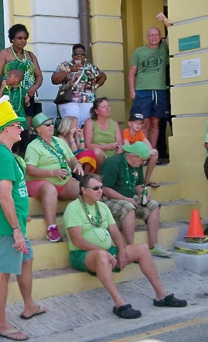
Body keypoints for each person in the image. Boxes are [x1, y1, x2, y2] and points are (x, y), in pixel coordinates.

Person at [64, 173, 186, 319]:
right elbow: (77, 240)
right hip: (82, 254)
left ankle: (161, 295)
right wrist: (104, 251)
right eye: (95, 188)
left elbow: (115, 231)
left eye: (101, 187)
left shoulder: (101, 206)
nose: (100, 191)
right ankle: (119, 304)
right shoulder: (73, 208)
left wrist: (121, 251)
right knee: (102, 255)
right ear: (83, 190)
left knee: (142, 248)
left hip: (108, 251)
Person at [0, 96, 45, 342]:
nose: (21, 128)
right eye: (17, 125)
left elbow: (13, 193)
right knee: (3, 271)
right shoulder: (3, 156)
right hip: (8, 226)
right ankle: (0, 323)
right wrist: (16, 228)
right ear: (6, 129)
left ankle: (29, 306)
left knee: (26, 259)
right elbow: (4, 196)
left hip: (14, 222)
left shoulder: (0, 153)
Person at [100, 142, 169, 258]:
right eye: (143, 160)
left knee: (154, 205)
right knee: (129, 207)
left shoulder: (137, 164)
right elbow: (105, 189)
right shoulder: (113, 163)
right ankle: (131, 249)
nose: (144, 163)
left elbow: (138, 185)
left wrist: (143, 194)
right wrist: (125, 198)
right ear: (133, 156)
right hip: (108, 199)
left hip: (129, 197)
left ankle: (153, 246)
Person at [25, 113, 84, 243]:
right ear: (39, 129)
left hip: (64, 181)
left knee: (84, 188)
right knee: (49, 189)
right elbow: (30, 170)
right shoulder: (33, 146)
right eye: (47, 124)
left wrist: (77, 164)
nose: (51, 126)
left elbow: (72, 159)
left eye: (52, 123)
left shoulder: (60, 141)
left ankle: (86, 223)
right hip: (39, 182)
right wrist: (52, 172)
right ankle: (51, 228)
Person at [0, 24, 43, 152]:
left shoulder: (30, 56)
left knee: (25, 129)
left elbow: (39, 76)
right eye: (19, 38)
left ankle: (23, 159)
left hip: (27, 97)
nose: (23, 41)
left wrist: (33, 90)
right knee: (10, 127)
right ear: (12, 39)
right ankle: (11, 155)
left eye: (25, 38)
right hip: (9, 97)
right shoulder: (5, 53)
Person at [129, 13, 172, 148]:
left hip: (159, 90)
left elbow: (172, 32)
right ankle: (144, 152)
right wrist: (132, 90)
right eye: (151, 35)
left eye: (156, 35)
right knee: (143, 123)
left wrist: (164, 20)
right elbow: (132, 72)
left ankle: (152, 152)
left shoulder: (164, 48)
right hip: (142, 90)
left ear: (160, 37)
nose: (154, 37)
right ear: (147, 37)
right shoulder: (139, 52)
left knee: (155, 123)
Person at [51, 44, 106, 128]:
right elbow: (54, 80)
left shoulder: (90, 67)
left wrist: (95, 86)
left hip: (87, 101)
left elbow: (103, 76)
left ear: (85, 56)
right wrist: (70, 70)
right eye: (76, 54)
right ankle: (71, 141)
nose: (79, 56)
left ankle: (82, 141)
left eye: (82, 54)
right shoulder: (65, 65)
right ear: (72, 55)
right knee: (71, 127)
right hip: (69, 100)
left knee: (85, 126)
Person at [83, 97, 122, 171]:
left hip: (113, 157)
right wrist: (107, 147)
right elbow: (88, 145)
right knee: (97, 152)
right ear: (96, 111)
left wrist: (116, 160)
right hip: (98, 156)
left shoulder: (114, 123)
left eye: (108, 106)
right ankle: (100, 174)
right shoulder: (90, 122)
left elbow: (120, 145)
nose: (107, 108)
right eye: (104, 107)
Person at [122, 113, 159, 187]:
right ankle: (135, 181)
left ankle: (147, 179)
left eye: (140, 123)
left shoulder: (140, 133)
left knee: (155, 154)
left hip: (137, 156)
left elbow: (148, 145)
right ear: (129, 123)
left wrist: (151, 151)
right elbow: (127, 146)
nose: (138, 125)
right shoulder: (126, 132)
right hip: (129, 156)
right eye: (135, 122)